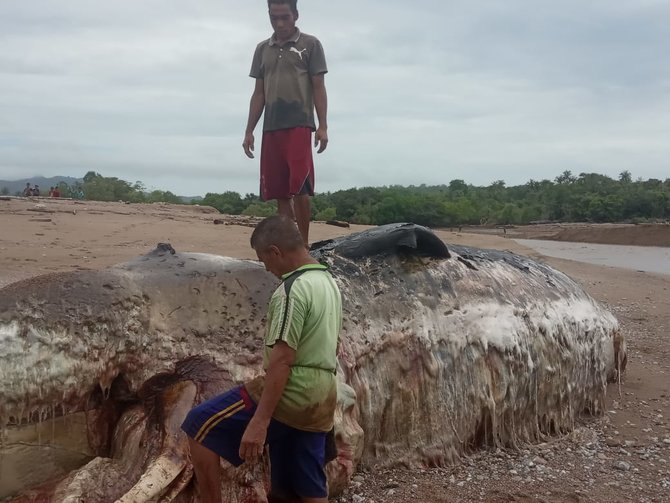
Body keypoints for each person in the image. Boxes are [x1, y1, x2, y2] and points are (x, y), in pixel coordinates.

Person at [181, 215, 342, 503]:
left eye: (264, 260)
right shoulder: (327, 282)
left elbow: (282, 360)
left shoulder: (292, 290)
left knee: (198, 423)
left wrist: (260, 421)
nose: (266, 268)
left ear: (275, 251)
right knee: (302, 488)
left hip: (292, 392)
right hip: (322, 397)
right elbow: (335, 344)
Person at [243, 0, 329, 248]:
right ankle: (287, 246)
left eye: (285, 17)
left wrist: (322, 125)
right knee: (279, 191)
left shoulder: (310, 45)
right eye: (274, 17)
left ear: (296, 15)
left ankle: (304, 244)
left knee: (300, 188)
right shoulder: (262, 49)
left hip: (299, 123)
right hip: (271, 126)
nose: (279, 23)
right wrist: (249, 130)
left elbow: (319, 87)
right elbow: (258, 93)